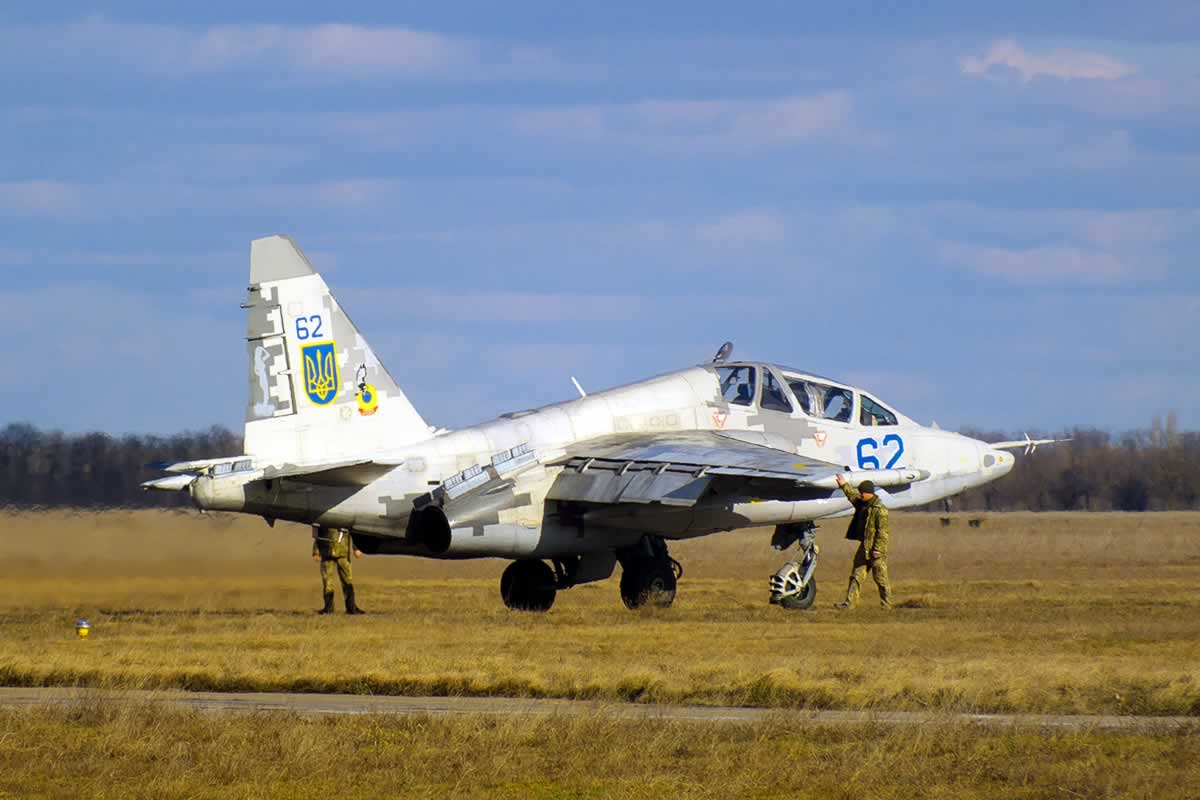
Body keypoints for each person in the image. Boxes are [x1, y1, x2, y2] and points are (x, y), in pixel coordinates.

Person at [834, 475, 892, 610]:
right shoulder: (862, 503)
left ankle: (887, 605)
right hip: (864, 547)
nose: (859, 494)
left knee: (881, 579)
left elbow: (883, 533)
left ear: (868, 493)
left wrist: (878, 550)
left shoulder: (880, 510)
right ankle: (850, 603)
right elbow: (851, 495)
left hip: (876, 551)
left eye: (862, 492)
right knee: (856, 576)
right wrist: (844, 485)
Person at [312, 526, 365, 615]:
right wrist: (316, 551)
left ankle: (351, 608)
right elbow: (318, 533)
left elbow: (353, 530)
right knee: (327, 582)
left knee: (347, 581)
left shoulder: (346, 516)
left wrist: (356, 548)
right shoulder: (325, 519)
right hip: (327, 553)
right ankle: (328, 608)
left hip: (343, 553)